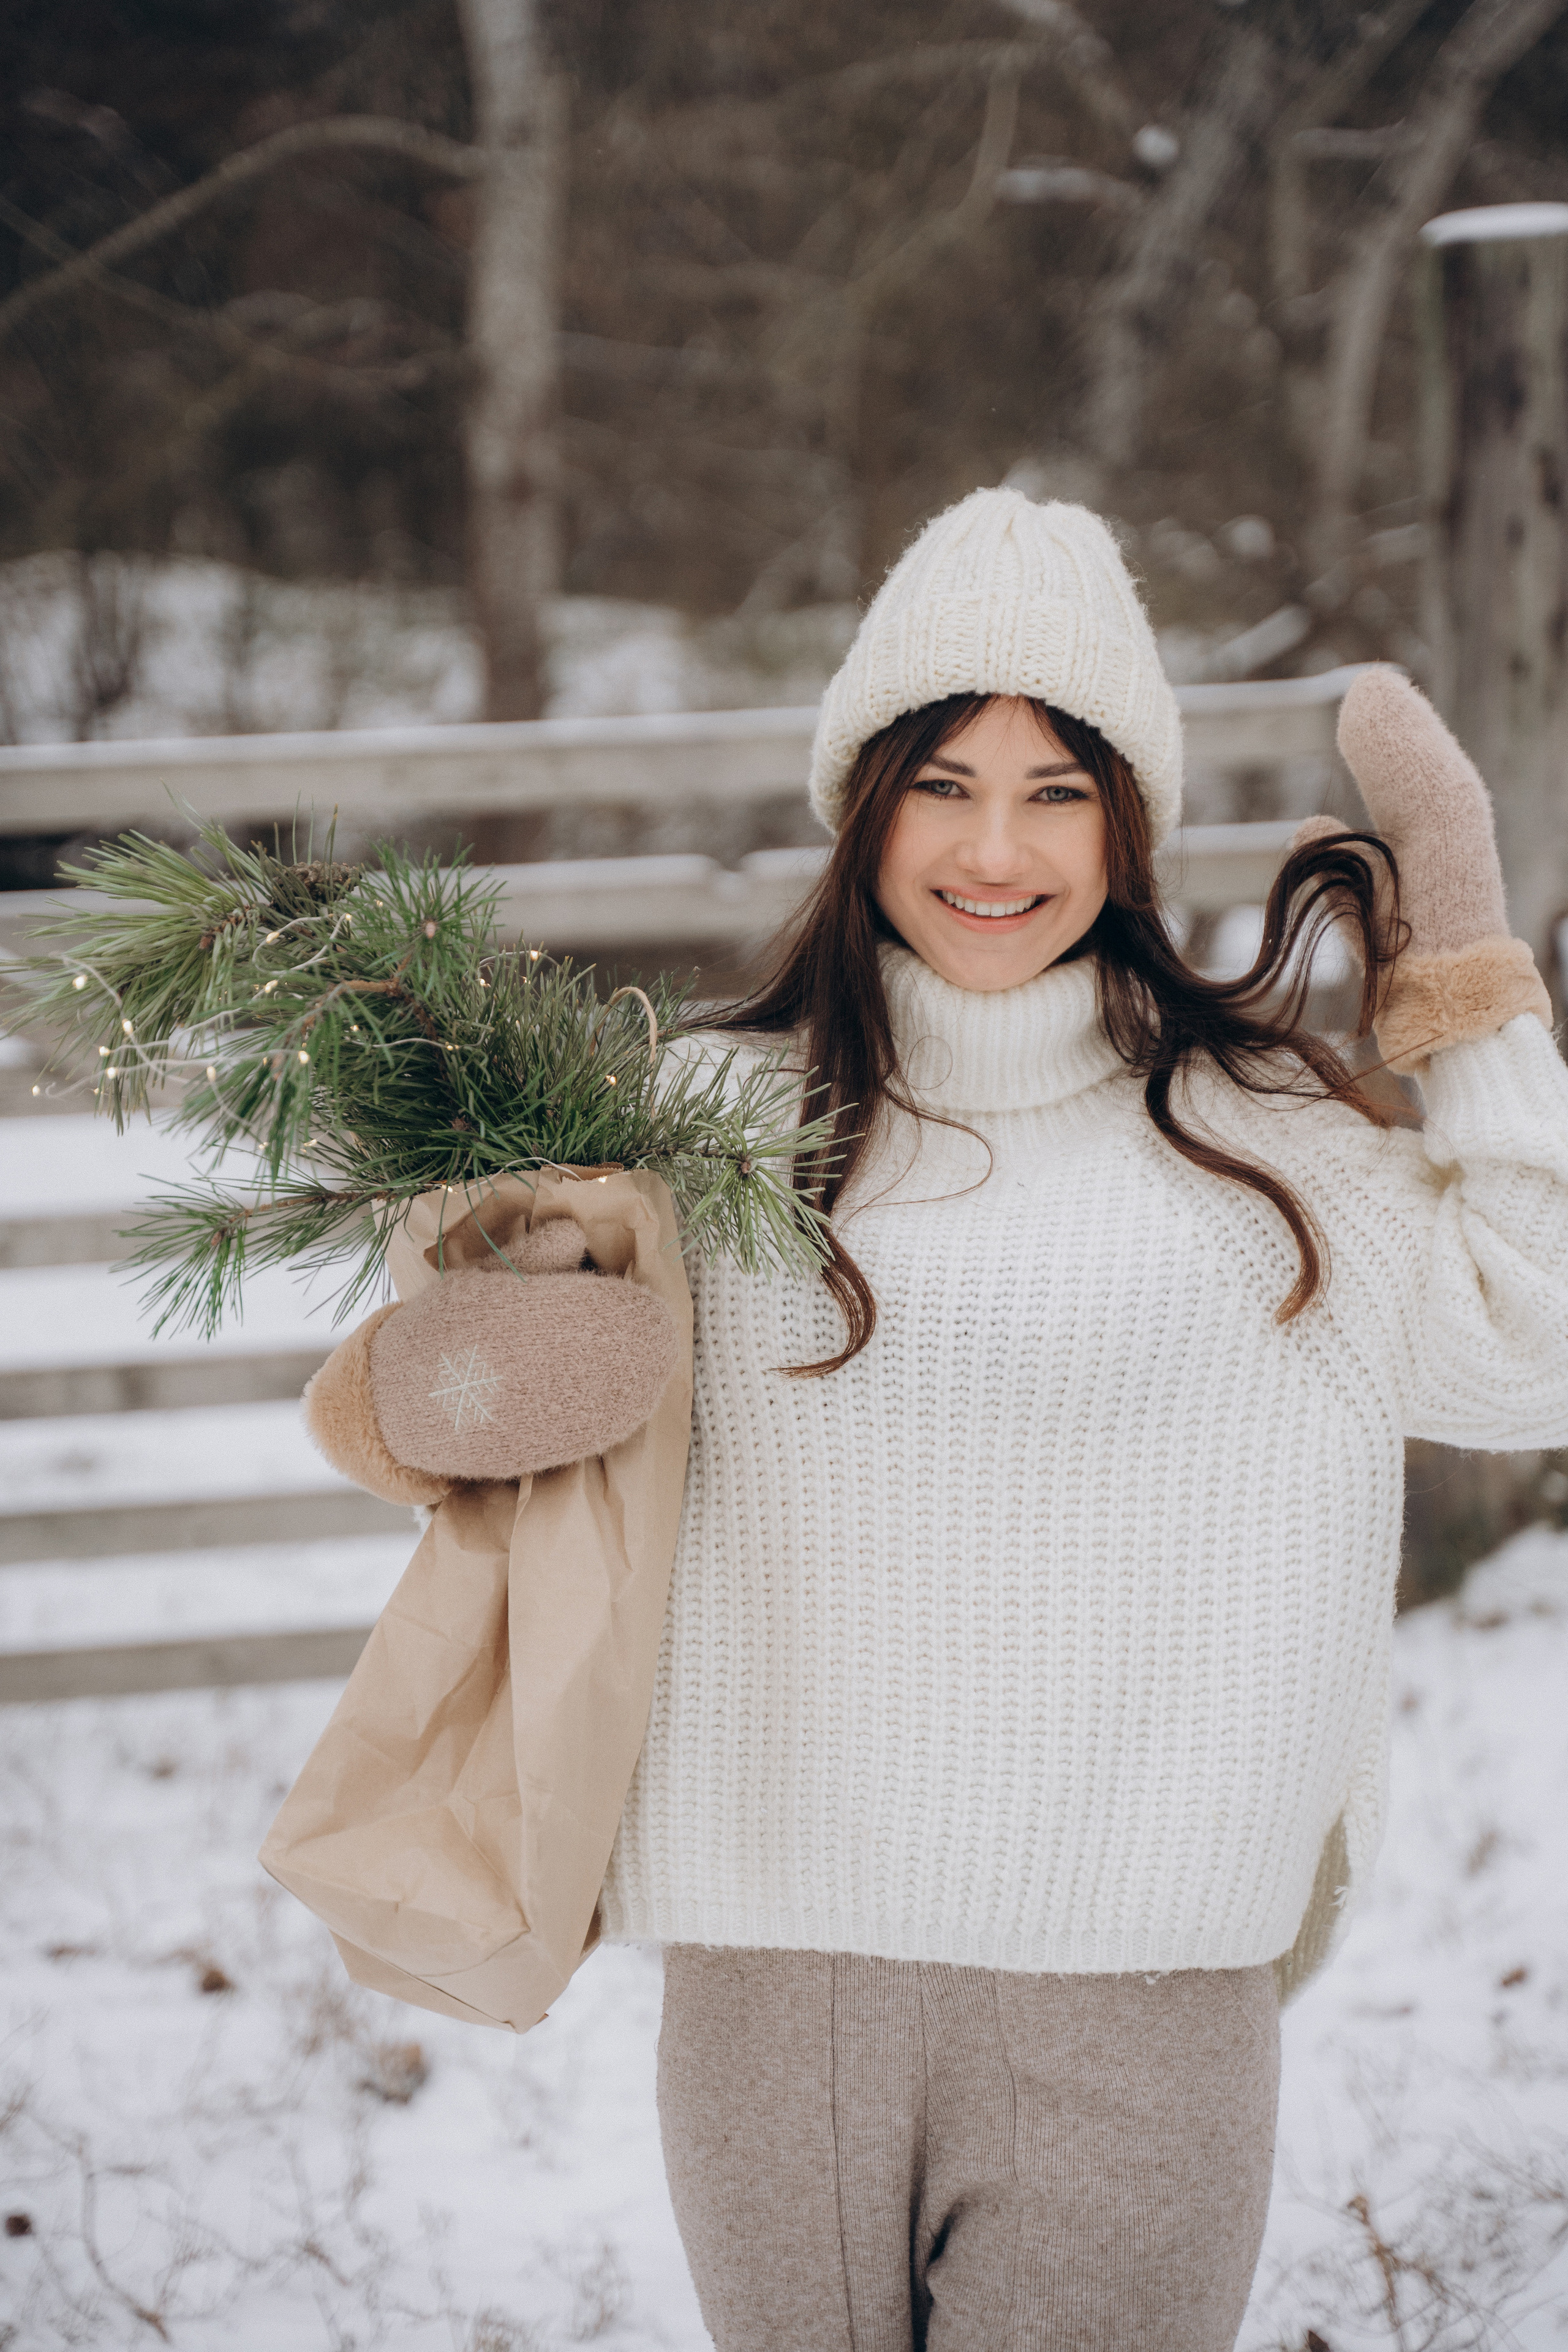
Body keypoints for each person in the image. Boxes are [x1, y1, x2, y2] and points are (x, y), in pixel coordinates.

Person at [306, 488, 1568, 2350]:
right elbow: (406, 1423)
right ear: (863, 807)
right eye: (942, 785)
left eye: (1057, 791)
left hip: (1143, 1997)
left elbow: (1538, 1343)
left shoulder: (1268, 1152)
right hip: (777, 1991)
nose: (995, 848)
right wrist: (461, 1379)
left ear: (1128, 825)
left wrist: (1460, 948)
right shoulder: (701, 1126)